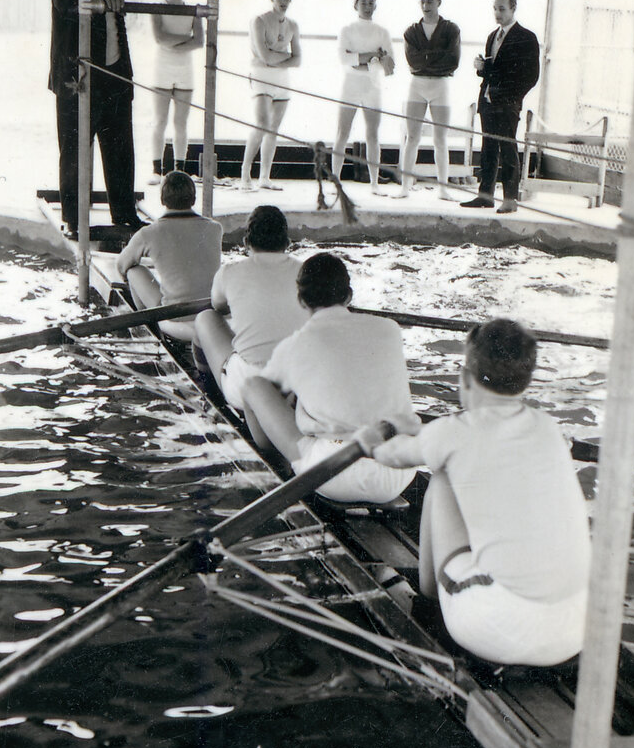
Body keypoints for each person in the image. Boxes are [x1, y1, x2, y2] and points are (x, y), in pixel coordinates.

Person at [359, 319, 590, 667]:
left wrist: (368, 442)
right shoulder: (549, 428)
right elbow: (464, 441)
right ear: (526, 380)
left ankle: (428, 602)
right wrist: (422, 431)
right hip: (576, 628)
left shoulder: (454, 433)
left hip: (498, 629)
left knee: (443, 473)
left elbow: (390, 455)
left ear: (464, 378)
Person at [242, 253, 416, 505]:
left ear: (301, 300)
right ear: (348, 295)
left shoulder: (296, 343)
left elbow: (272, 394)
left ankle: (275, 458)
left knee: (253, 386)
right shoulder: (390, 328)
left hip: (333, 474)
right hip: (399, 471)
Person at [49, 0, 141, 236]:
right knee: (75, 149)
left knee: (120, 149)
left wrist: (126, 75)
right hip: (79, 80)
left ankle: (126, 215)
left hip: (114, 76)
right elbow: (67, 8)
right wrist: (101, 5)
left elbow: (120, 28)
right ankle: (74, 219)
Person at [194, 206, 308, 411]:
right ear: (287, 242)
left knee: (205, 318)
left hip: (247, 389)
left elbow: (218, 307)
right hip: (298, 385)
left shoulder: (229, 272)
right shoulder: (307, 272)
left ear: (246, 242)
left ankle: (207, 392)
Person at [115, 172, 221, 343]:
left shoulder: (148, 233)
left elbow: (121, 266)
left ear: (162, 200)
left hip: (174, 318)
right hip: (210, 313)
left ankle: (149, 328)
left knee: (134, 270)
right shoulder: (216, 228)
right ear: (193, 200)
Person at [461, 0, 540, 215]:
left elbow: (531, 76)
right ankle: (485, 196)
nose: (497, 13)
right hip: (488, 99)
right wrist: (481, 68)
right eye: (495, 8)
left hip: (507, 102)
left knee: (508, 147)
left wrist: (513, 97)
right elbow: (493, 71)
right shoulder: (492, 36)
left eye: (502, 9)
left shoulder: (526, 37)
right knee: (488, 148)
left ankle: (510, 198)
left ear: (513, 8)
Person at [400, 0, 461, 201]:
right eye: (422, 1)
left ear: (439, 1)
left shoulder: (451, 29)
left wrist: (425, 58)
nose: (426, 6)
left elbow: (452, 61)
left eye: (430, 1)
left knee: (440, 140)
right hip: (417, 86)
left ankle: (443, 189)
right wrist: (436, 57)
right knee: (412, 137)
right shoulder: (410, 32)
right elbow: (413, 62)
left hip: (440, 87)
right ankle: (405, 187)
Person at [239, 0, 302, 192]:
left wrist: (275, 58)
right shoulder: (259, 21)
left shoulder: (293, 25)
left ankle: (264, 176)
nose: (283, 1)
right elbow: (264, 56)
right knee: (262, 124)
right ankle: (245, 173)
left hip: (282, 79)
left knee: (273, 129)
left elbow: (298, 60)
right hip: (261, 76)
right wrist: (285, 57)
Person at [331, 0, 395, 194]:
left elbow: (389, 65)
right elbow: (343, 58)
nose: (367, 6)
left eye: (371, 3)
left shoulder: (382, 32)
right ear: (356, 5)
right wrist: (371, 56)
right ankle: (336, 182)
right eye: (364, 2)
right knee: (342, 133)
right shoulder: (347, 30)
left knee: (373, 135)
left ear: (375, 6)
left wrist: (364, 62)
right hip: (350, 85)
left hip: (373, 87)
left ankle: (374, 183)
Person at [149, 0, 205, 184]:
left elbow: (199, 41)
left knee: (181, 122)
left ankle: (178, 170)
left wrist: (173, 43)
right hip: (162, 68)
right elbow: (159, 38)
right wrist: (185, 42)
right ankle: (157, 170)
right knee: (160, 121)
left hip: (185, 70)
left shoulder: (193, 10)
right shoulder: (157, 7)